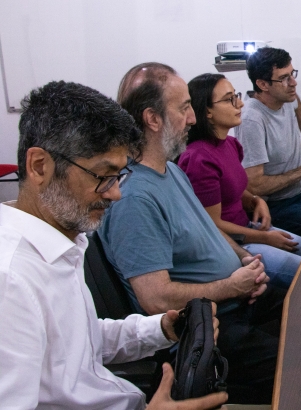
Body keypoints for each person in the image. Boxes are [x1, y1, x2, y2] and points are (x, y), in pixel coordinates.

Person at [0, 80, 227, 409]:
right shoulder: (11, 281)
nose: (115, 193)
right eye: (102, 176)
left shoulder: (63, 242)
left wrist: (161, 328)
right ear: (40, 166)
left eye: (119, 176)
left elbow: (81, 343)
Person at [99, 62, 282, 404]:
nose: (193, 118)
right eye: (184, 109)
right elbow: (155, 298)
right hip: (212, 330)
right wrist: (231, 287)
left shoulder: (170, 169)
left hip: (238, 302)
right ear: (153, 119)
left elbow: (207, 228)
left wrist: (245, 259)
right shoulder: (135, 198)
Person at [179, 73, 301, 289]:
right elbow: (213, 225)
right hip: (233, 245)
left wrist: (257, 200)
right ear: (207, 111)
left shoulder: (230, 144)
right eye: (229, 99)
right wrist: (264, 238)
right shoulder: (198, 158)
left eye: (236, 96)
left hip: (249, 229)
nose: (240, 103)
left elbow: (235, 190)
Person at [236, 47, 301, 239]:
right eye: (284, 78)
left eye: (292, 74)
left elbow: (295, 101)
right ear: (263, 84)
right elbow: (255, 186)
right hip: (280, 206)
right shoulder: (252, 121)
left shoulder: (286, 98)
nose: (293, 83)